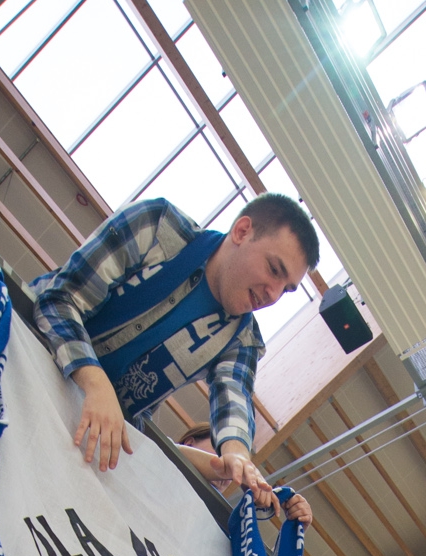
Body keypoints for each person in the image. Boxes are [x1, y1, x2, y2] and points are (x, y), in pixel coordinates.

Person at [31, 194, 319, 488]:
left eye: (286, 289)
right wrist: (96, 383)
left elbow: (234, 398)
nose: (273, 295)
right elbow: (58, 300)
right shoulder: (156, 227)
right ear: (242, 231)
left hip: (86, 427)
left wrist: (238, 457)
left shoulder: (242, 341)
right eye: (274, 270)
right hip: (28, 351)